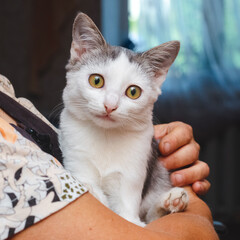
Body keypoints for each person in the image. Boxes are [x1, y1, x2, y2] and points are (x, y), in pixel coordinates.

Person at [0, 74, 217, 240]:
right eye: (97, 81)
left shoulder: (5, 91)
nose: (110, 104)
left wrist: (147, 148)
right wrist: (196, 207)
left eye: (132, 92)